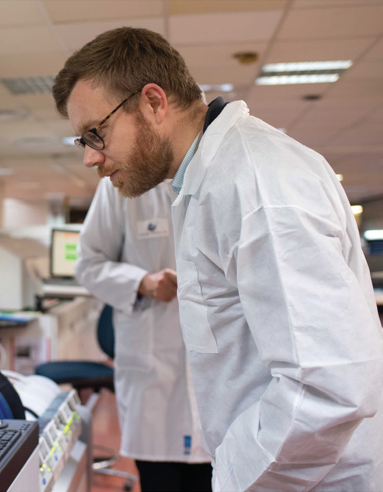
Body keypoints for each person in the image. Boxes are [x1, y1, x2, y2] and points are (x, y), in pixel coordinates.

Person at [53, 27, 383, 491]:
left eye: (95, 133)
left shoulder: (257, 186)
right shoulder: (206, 180)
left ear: (153, 102)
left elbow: (325, 389)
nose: (89, 159)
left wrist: (231, 477)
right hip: (266, 457)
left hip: (295, 474)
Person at [76, 176, 212, 491]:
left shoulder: (223, 175)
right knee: (158, 478)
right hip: (154, 380)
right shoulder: (120, 185)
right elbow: (88, 264)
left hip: (219, 376)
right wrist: (142, 282)